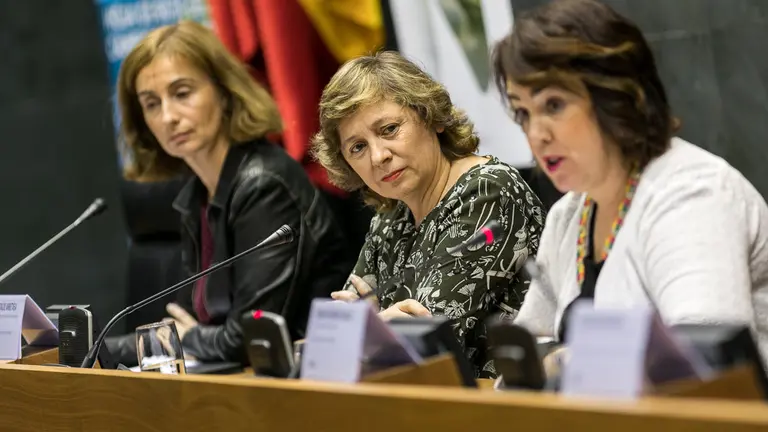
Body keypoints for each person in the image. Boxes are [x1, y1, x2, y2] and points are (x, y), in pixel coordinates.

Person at [492, 0, 768, 364]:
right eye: (523, 113)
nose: (536, 134)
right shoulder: (568, 216)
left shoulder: (693, 196)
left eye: (553, 105)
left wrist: (563, 363)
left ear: (615, 96)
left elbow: (704, 363)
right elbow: (527, 352)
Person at [106, 20, 354, 365]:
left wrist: (190, 337)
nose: (168, 117)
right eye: (151, 104)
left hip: (309, 376)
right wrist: (86, 350)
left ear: (223, 92)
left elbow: (252, 337)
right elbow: (185, 322)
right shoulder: (197, 195)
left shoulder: (263, 183)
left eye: (182, 93)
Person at [311, 51, 545, 377]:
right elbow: (342, 333)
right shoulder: (391, 218)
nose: (378, 156)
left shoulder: (488, 191)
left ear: (432, 117)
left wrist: (370, 327)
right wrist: (366, 326)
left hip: (508, 399)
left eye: (389, 129)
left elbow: (424, 342)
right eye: (358, 147)